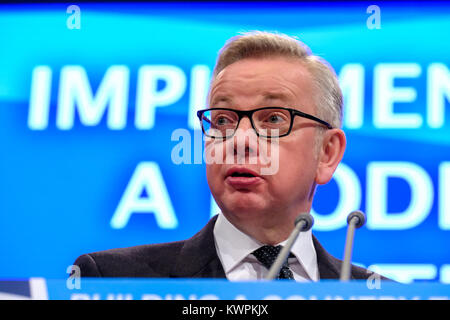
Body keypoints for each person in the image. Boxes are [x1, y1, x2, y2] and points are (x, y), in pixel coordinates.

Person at [73, 31, 384, 281]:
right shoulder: (113, 280)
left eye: (273, 119)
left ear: (326, 153)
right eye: (223, 120)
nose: (240, 140)